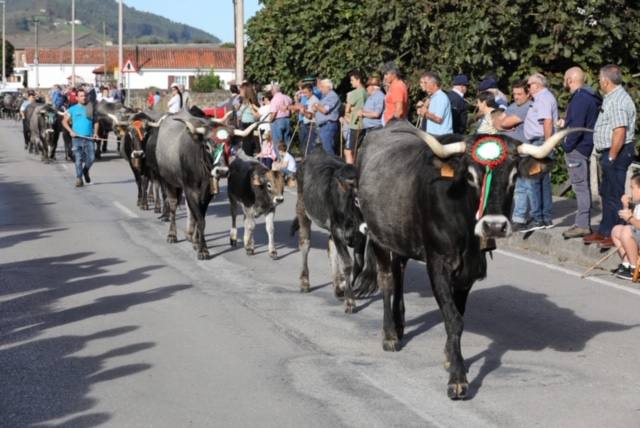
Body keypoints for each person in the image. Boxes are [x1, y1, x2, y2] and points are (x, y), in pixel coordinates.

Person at [583, 64, 637, 248]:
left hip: (617, 152)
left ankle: (616, 232)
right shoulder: (613, 97)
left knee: (615, 194)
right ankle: (606, 230)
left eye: (599, 79)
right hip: (611, 151)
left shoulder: (617, 100)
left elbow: (619, 132)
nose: (599, 82)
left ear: (605, 81)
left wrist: (612, 156)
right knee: (607, 192)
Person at [558, 66, 602, 240]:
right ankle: (583, 223)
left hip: (577, 148)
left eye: (564, 78)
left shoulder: (580, 99)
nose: (564, 82)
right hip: (584, 146)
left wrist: (567, 145)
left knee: (580, 187)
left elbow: (576, 127)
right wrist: (565, 122)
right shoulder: (588, 96)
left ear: (570, 80)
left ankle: (582, 225)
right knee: (582, 186)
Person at [520, 72, 559, 231]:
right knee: (542, 181)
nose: (528, 88)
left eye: (529, 85)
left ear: (537, 85)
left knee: (535, 180)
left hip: (539, 143)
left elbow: (547, 122)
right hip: (540, 142)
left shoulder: (543, 98)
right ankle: (545, 217)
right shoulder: (543, 98)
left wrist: (547, 144)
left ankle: (538, 218)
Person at [494, 80, 533, 231]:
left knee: (524, 186)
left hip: (523, 151)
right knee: (512, 186)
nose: (516, 97)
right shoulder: (513, 106)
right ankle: (516, 215)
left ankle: (521, 218)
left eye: (519, 94)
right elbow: (496, 122)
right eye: (514, 94)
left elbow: (503, 123)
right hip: (510, 152)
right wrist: (506, 125)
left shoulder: (528, 107)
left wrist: (505, 125)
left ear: (528, 94)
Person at [62, 88, 99, 188]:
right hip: (77, 138)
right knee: (78, 159)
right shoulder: (72, 109)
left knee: (91, 158)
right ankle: (79, 178)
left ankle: (85, 171)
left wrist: (95, 133)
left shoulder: (90, 108)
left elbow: (96, 122)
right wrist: (71, 131)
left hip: (89, 138)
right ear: (77, 98)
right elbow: (64, 122)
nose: (84, 97)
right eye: (81, 96)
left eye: (85, 96)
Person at [610, 173, 640, 280]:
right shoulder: (637, 204)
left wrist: (630, 218)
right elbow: (630, 225)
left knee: (627, 231)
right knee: (616, 230)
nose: (630, 191)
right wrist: (626, 206)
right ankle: (627, 264)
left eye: (632, 188)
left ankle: (635, 268)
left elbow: (633, 225)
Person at [344, 70, 367, 164]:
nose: (351, 82)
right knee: (357, 150)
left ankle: (350, 172)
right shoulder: (365, 92)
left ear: (358, 80)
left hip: (354, 125)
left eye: (352, 80)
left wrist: (350, 108)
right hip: (363, 125)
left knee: (348, 151)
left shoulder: (355, 93)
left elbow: (347, 110)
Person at [312, 79, 341, 155]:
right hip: (323, 126)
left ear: (328, 87)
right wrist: (316, 107)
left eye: (322, 87)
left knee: (328, 149)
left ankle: (332, 165)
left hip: (328, 125)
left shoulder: (332, 96)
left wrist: (317, 106)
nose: (320, 89)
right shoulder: (325, 97)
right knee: (324, 149)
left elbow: (325, 110)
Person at [238, 83, 260, 155]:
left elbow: (257, 113)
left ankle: (249, 157)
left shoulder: (250, 101)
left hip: (249, 124)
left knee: (247, 144)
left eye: (241, 90)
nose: (240, 92)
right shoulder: (243, 101)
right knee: (246, 143)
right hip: (245, 123)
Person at [269, 82, 293, 149]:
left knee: (278, 142)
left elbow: (274, 113)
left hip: (277, 121)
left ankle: (280, 158)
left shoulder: (274, 99)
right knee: (287, 141)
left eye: (271, 90)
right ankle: (288, 156)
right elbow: (291, 109)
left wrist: (270, 121)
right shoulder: (287, 97)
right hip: (287, 120)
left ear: (273, 91)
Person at [299, 83, 319, 156]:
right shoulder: (308, 100)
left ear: (311, 91)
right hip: (307, 125)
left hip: (312, 126)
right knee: (305, 146)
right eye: (303, 93)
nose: (304, 95)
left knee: (309, 148)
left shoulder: (314, 100)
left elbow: (310, 116)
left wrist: (303, 112)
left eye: (306, 92)